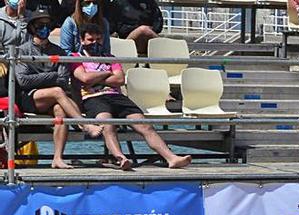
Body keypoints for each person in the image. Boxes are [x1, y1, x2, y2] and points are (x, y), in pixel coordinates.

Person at [72, 24, 192, 169]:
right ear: (82, 40)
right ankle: (120, 158)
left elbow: (119, 80)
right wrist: (107, 73)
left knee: (144, 125)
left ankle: (171, 158)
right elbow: (84, 79)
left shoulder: (110, 58)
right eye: (90, 40)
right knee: (107, 124)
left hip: (116, 96)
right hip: (93, 98)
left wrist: (96, 78)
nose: (95, 43)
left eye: (98, 39)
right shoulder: (75, 58)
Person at [16, 9, 94, 169]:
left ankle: (57, 158)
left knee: (60, 110)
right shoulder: (22, 51)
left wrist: (42, 79)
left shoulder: (58, 51)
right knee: (57, 92)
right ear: (32, 28)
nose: (44, 28)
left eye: (47, 25)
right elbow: (23, 81)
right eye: (40, 25)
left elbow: (64, 79)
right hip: (29, 98)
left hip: (53, 99)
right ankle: (83, 124)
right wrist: (51, 77)